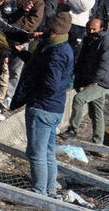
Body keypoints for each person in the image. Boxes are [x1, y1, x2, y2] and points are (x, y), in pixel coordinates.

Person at [10, 12, 74, 196]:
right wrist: (22, 53)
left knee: (36, 153)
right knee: (47, 152)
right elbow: (40, 65)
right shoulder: (61, 47)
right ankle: (50, 190)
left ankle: (39, 192)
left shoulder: (55, 52)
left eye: (47, 26)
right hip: (54, 108)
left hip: (43, 107)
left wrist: (31, 93)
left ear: (53, 30)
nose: (43, 28)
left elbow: (50, 83)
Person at [62, 18, 109, 142]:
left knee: (79, 99)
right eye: (89, 28)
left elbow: (106, 64)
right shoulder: (89, 39)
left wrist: (95, 82)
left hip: (102, 81)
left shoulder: (107, 41)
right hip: (92, 79)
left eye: (94, 29)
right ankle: (98, 141)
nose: (91, 31)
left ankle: (73, 129)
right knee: (96, 111)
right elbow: (82, 61)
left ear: (102, 28)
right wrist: (78, 80)